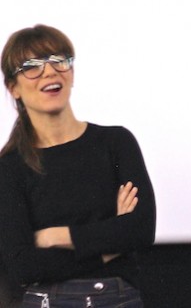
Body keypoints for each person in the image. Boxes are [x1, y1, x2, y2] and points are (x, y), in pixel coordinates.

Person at [0, 25, 156, 307]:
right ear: (14, 88)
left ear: (71, 72)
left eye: (59, 60)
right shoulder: (10, 167)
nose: (50, 72)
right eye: (32, 67)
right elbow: (24, 266)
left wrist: (58, 236)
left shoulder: (115, 142)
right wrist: (108, 248)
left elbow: (141, 229)